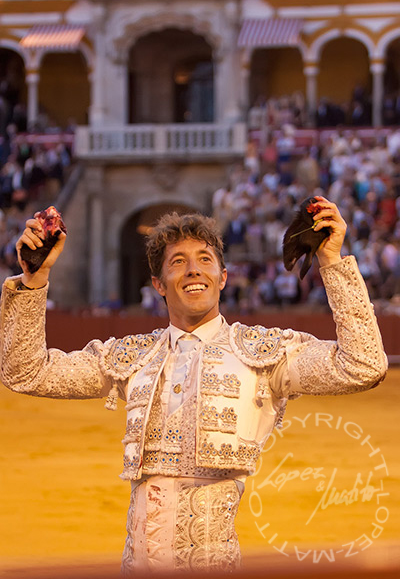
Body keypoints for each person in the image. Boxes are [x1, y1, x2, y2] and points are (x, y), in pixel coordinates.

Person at [0, 197, 387, 573]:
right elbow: (26, 372)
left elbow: (363, 364)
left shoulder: (263, 353)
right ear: (158, 284)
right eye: (178, 262)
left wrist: (332, 262)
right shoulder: (133, 357)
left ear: (223, 278)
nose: (193, 270)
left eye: (205, 260)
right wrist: (34, 282)